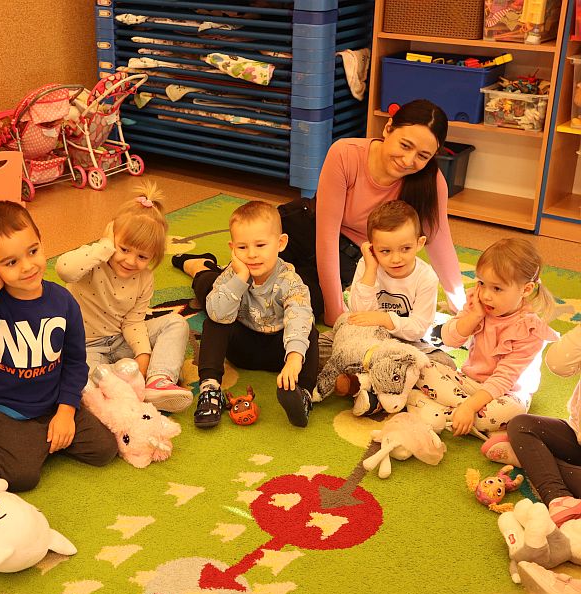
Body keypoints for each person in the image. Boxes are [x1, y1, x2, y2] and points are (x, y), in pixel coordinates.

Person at [0, 200, 117, 492]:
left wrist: (66, 411)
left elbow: (75, 362)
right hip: (6, 409)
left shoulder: (63, 301)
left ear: (41, 242)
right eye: (10, 262)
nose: (28, 267)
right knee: (20, 477)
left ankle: (39, 443)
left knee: (104, 450)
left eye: (33, 251)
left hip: (53, 402)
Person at [279, 98, 465, 326]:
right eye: (405, 145)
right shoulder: (345, 153)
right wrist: (335, 311)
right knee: (252, 267)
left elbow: (440, 243)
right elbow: (326, 235)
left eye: (423, 156)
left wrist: (461, 308)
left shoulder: (431, 183)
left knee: (296, 302)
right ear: (388, 128)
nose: (408, 160)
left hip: (349, 257)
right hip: (303, 227)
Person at [172, 200, 317, 429]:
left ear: (280, 243)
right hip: (242, 349)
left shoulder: (290, 280)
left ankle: (304, 394)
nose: (251, 255)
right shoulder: (233, 274)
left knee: (309, 329)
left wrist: (293, 359)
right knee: (216, 320)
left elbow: (299, 316)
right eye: (242, 247)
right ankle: (210, 388)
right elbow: (216, 312)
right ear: (232, 248)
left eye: (260, 245)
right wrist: (240, 278)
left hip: (280, 353)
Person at [56, 181, 192, 412]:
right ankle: (120, 384)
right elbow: (64, 270)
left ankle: (158, 380)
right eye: (124, 249)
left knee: (176, 323)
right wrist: (104, 247)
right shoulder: (94, 259)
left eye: (142, 257)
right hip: (86, 347)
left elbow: (133, 321)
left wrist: (143, 355)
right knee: (80, 384)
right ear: (111, 237)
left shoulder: (145, 278)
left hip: (120, 340)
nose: (130, 261)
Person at [407, 238, 558, 436]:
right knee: (422, 366)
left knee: (507, 413)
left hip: (506, 394)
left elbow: (504, 379)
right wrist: (475, 316)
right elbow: (449, 340)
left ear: (526, 289)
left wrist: (470, 407)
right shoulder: (478, 304)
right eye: (481, 283)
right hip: (469, 381)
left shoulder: (529, 330)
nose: (486, 295)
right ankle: (458, 416)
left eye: (497, 288)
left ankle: (433, 408)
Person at [482, 324, 581, 527]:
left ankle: (529, 458)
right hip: (576, 433)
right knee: (521, 424)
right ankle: (558, 498)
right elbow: (558, 364)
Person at [342, 200, 454, 368]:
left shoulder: (426, 277)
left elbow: (418, 328)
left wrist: (384, 319)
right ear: (372, 249)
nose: (396, 259)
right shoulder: (367, 264)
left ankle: (378, 372)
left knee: (445, 363)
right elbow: (358, 313)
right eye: (385, 251)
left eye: (405, 249)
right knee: (323, 344)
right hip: (367, 338)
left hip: (407, 342)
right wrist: (371, 269)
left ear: (420, 243)